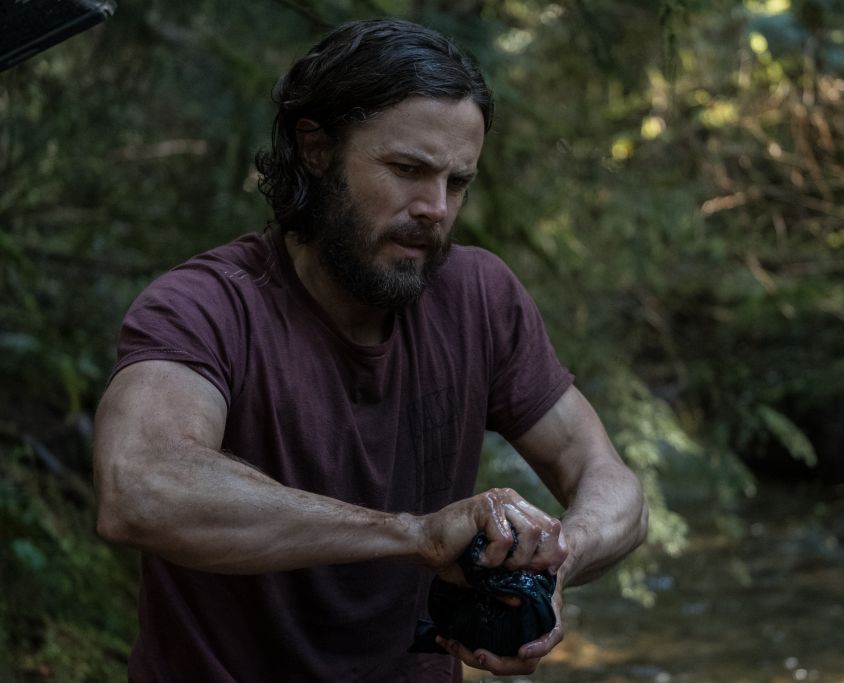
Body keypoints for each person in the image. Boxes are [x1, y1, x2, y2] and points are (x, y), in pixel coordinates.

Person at [92, 16, 647, 682]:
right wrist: (413, 534)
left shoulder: (479, 295)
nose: (436, 208)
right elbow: (140, 485)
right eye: (408, 170)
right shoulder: (205, 306)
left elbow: (613, 484)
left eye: (457, 182)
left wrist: (557, 557)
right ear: (317, 148)